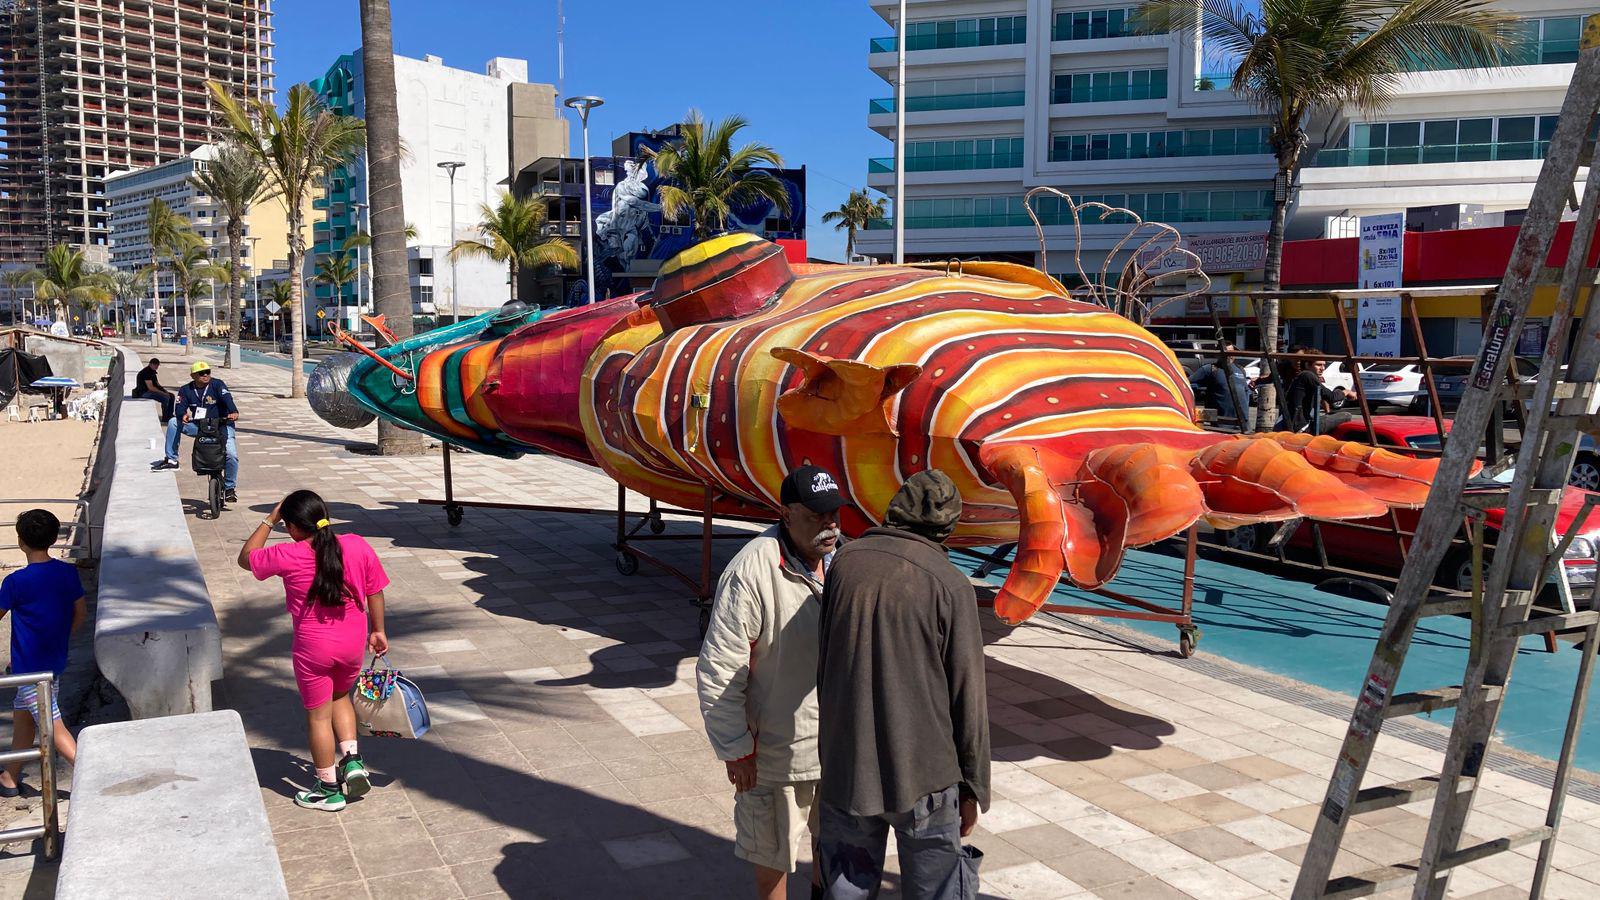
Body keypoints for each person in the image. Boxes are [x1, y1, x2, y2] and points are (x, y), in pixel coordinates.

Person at [816, 470, 990, 900]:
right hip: (924, 776)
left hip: (848, 768)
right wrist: (973, 788)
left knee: (846, 889)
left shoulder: (844, 563)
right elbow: (968, 698)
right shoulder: (949, 585)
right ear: (948, 527)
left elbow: (825, 663)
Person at [697, 465, 844, 900]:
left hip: (835, 748)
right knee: (772, 859)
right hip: (775, 755)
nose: (830, 525)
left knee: (831, 848)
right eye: (818, 515)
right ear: (786, 512)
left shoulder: (843, 562)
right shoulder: (751, 572)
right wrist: (736, 748)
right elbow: (719, 672)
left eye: (835, 513)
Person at [237, 490, 390, 811]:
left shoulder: (286, 554)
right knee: (340, 697)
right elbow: (375, 589)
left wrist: (270, 518)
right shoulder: (356, 544)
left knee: (319, 718)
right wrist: (378, 629)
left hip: (313, 649)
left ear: (292, 527)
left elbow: (246, 557)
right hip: (351, 643)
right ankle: (352, 761)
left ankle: (328, 789)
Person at [0, 510, 86, 797]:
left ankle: (92, 775)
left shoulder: (15, 583)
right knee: (24, 716)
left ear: (21, 542)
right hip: (53, 661)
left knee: (52, 725)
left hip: (28, 669)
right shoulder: (67, 573)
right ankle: (10, 779)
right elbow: (80, 614)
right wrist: (59, 639)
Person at [150, 360, 239, 502]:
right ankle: (172, 459)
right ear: (193, 376)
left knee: (231, 455)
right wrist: (182, 415)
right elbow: (179, 406)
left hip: (221, 425)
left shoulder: (217, 384)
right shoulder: (186, 390)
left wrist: (233, 411)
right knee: (173, 422)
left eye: (207, 372)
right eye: (201, 373)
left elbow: (227, 398)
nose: (205, 375)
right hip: (200, 426)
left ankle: (230, 488)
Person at [1283, 350, 1353, 434]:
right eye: (1318, 365)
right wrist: (1346, 392)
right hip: (1301, 428)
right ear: (1307, 365)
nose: (1322, 368)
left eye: (1324, 365)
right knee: (1346, 415)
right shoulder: (1308, 375)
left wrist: (1328, 411)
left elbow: (1324, 395)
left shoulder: (1303, 376)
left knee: (1329, 416)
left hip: (1297, 424)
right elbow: (1332, 397)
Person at [1190, 344, 1254, 433]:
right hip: (1221, 425)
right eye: (1226, 353)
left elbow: (1246, 392)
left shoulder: (1240, 370)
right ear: (1217, 354)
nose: (1230, 355)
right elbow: (1188, 384)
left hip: (1242, 425)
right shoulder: (1210, 369)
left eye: (1232, 352)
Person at [131, 357, 175, 423]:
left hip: (150, 391)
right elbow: (151, 387)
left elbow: (157, 385)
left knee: (171, 396)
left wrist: (165, 391)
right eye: (155, 365)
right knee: (165, 398)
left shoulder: (153, 372)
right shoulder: (146, 372)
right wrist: (163, 393)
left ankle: (170, 415)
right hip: (143, 392)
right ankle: (165, 417)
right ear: (150, 364)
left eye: (157, 365)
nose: (156, 366)